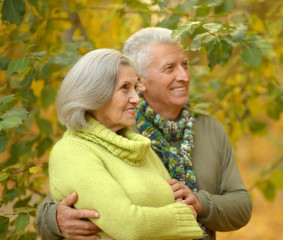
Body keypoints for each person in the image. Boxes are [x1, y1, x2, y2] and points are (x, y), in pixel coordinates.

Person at [36, 28, 252, 240]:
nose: (184, 75)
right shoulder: (119, 129)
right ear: (142, 80)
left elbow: (241, 206)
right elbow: (70, 189)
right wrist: (55, 221)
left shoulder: (209, 128)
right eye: (169, 68)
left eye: (185, 65)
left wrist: (199, 203)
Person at [46, 48, 203, 240]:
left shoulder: (139, 147)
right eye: (124, 88)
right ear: (94, 94)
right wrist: (183, 217)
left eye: (135, 87)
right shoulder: (71, 152)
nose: (137, 98)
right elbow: (129, 225)